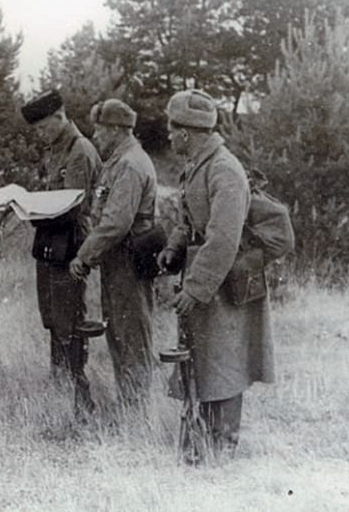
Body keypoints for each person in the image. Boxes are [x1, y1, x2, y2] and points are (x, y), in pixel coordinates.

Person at [156, 89, 275, 461]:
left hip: (226, 283)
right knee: (202, 359)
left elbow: (224, 238)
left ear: (187, 133)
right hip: (207, 277)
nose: (169, 136)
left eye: (172, 129)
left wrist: (194, 288)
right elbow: (190, 219)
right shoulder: (198, 165)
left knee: (225, 362)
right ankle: (199, 442)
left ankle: (222, 447)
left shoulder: (224, 169)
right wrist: (174, 249)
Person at [69, 99, 158, 411]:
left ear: (118, 130)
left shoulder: (130, 165)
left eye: (101, 129)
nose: (96, 136)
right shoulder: (120, 161)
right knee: (121, 333)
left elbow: (116, 222)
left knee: (131, 335)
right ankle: (130, 407)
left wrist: (84, 255)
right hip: (119, 259)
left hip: (129, 259)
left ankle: (135, 413)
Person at [20, 89, 102, 416]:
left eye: (43, 127)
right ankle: (62, 387)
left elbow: (72, 206)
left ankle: (78, 396)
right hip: (51, 242)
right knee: (54, 318)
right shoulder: (56, 148)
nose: (40, 134)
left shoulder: (79, 150)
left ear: (60, 117)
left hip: (69, 242)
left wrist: (28, 210)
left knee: (68, 319)